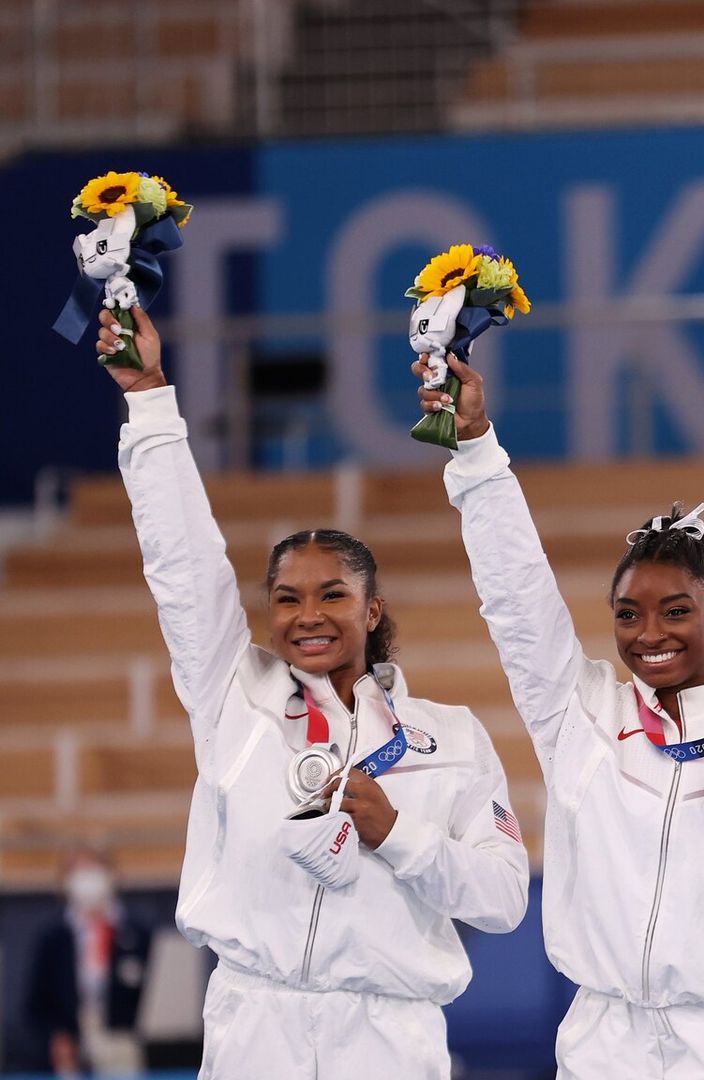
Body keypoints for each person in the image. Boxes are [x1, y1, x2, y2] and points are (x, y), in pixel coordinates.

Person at [99, 307, 529, 1079]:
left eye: (332, 595)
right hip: (253, 1025)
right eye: (288, 599)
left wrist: (397, 834)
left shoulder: (452, 738)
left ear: (373, 607)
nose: (307, 617)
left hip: (389, 1036)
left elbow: (501, 901)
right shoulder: (235, 696)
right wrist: (150, 397)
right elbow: (183, 565)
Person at [420, 353, 704, 1079]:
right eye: (629, 615)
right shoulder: (580, 712)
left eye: (676, 612)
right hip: (601, 1037)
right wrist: (475, 449)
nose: (649, 634)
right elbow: (516, 597)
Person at [24, 848, 150, 1077]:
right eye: (78, 871)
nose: (87, 879)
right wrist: (57, 1037)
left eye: (93, 869)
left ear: (112, 875)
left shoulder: (137, 934)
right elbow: (36, 1004)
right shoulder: (53, 939)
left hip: (123, 1043)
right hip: (70, 1045)